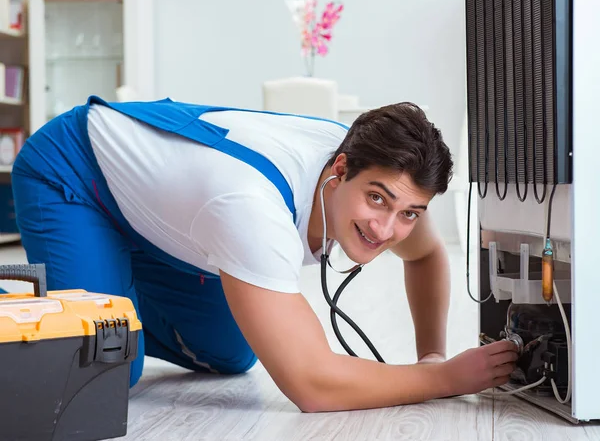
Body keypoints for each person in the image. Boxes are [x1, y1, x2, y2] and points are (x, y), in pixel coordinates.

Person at [10, 95, 518, 412]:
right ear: (340, 170)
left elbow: (425, 256)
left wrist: (429, 353)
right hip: (75, 173)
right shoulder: (251, 207)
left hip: (170, 209)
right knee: (112, 370)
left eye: (409, 212)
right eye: (376, 199)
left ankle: (111, 285)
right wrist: (441, 378)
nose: (387, 228)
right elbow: (313, 384)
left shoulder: (385, 174)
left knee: (231, 354)